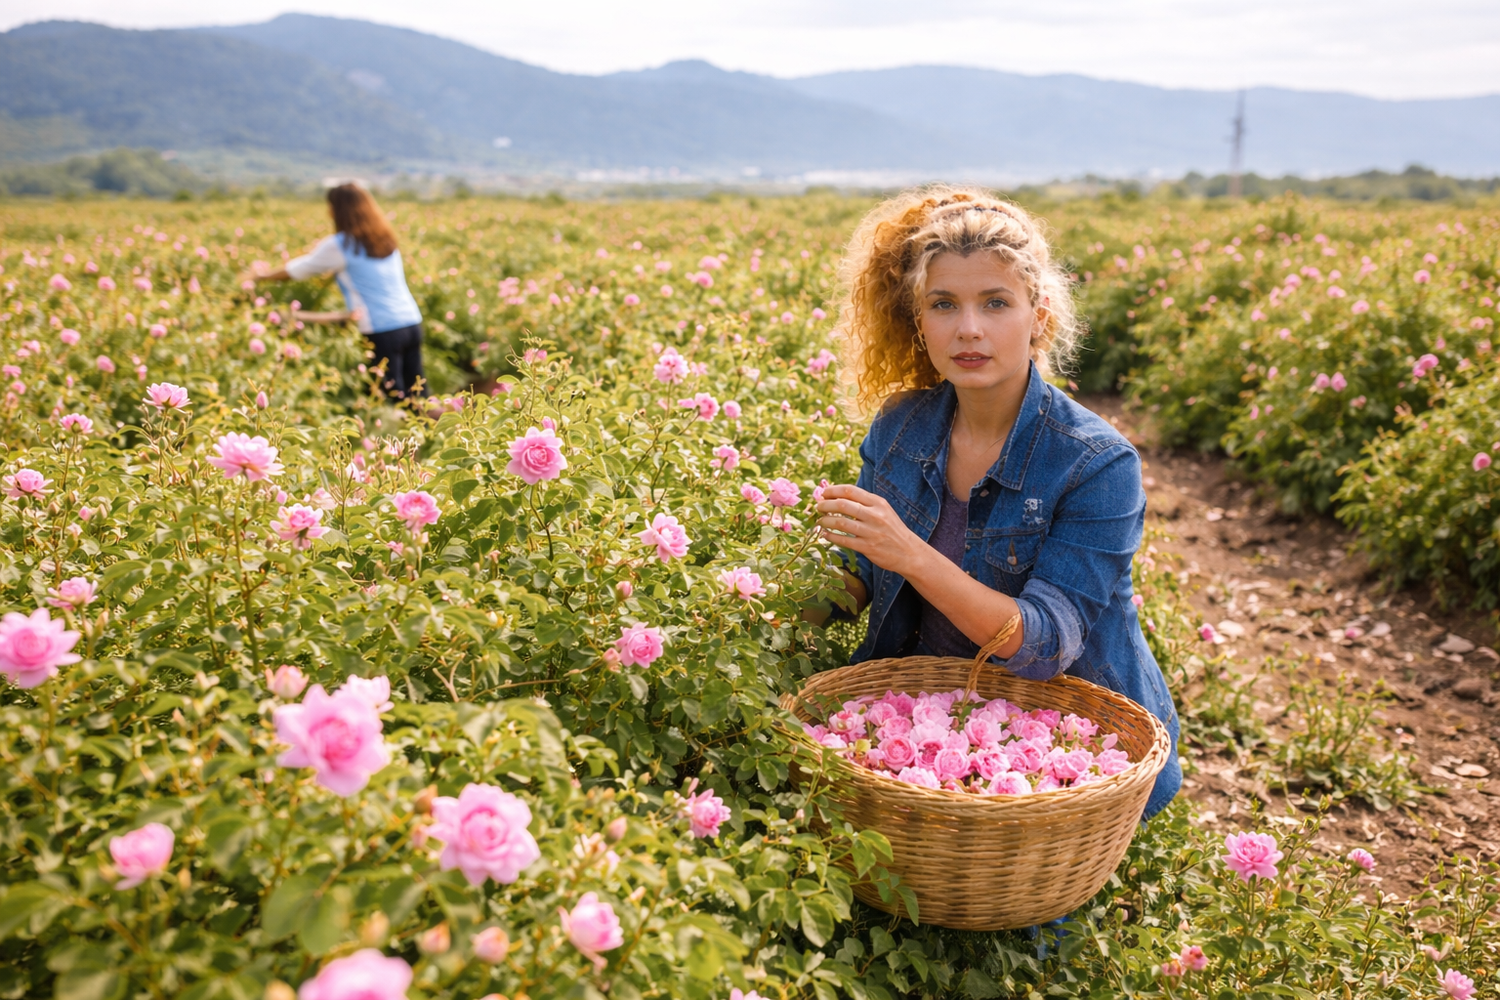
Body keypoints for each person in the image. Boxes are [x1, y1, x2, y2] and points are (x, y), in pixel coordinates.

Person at [813, 185, 1180, 819]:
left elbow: (1042, 643)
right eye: (944, 304)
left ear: (1038, 315)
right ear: (918, 320)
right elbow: (865, 580)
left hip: (1065, 753)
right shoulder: (902, 426)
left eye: (996, 303)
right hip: (927, 730)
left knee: (1029, 914)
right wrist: (751, 615)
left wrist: (910, 554)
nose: (969, 329)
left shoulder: (1096, 464)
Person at [246, 183, 427, 399]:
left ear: (337, 210)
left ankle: (416, 431)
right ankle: (436, 430)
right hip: (411, 321)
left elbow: (300, 270)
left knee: (394, 396)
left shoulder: (342, 245)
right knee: (418, 397)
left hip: (382, 328)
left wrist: (260, 277)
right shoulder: (385, 239)